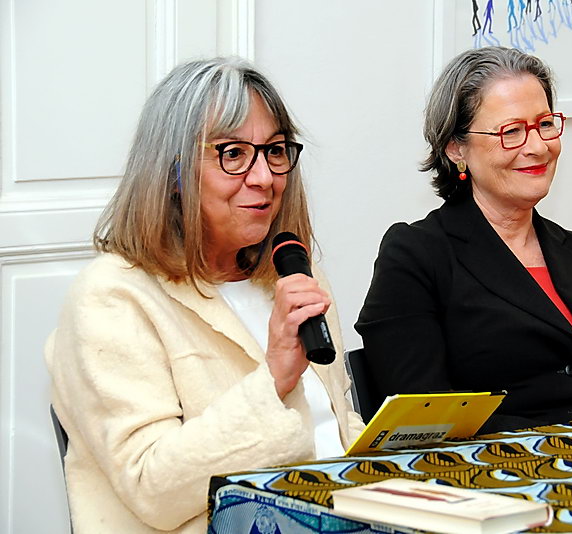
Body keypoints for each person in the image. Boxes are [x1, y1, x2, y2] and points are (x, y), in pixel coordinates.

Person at [45, 57, 363, 534]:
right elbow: (154, 489)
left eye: (275, 150)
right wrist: (275, 376)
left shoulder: (291, 271)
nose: (264, 177)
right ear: (171, 172)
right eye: (233, 153)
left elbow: (336, 428)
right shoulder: (113, 296)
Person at [356, 47, 572, 433]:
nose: (537, 146)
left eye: (545, 124)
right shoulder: (417, 255)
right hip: (497, 464)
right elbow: (424, 419)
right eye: (511, 131)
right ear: (456, 148)